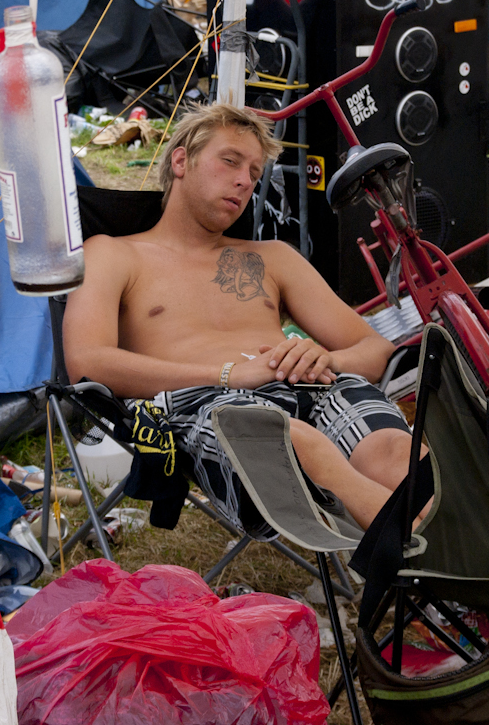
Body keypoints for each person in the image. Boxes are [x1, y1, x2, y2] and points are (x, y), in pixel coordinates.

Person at [63, 103, 415, 535]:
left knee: (397, 450)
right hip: (206, 405)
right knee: (288, 439)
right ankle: (422, 555)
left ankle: (460, 561)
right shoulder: (114, 253)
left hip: (310, 386)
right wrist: (230, 374)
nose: (244, 180)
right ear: (180, 161)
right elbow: (86, 362)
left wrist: (322, 360)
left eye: (253, 171)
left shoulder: (272, 259)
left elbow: (376, 349)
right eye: (230, 161)